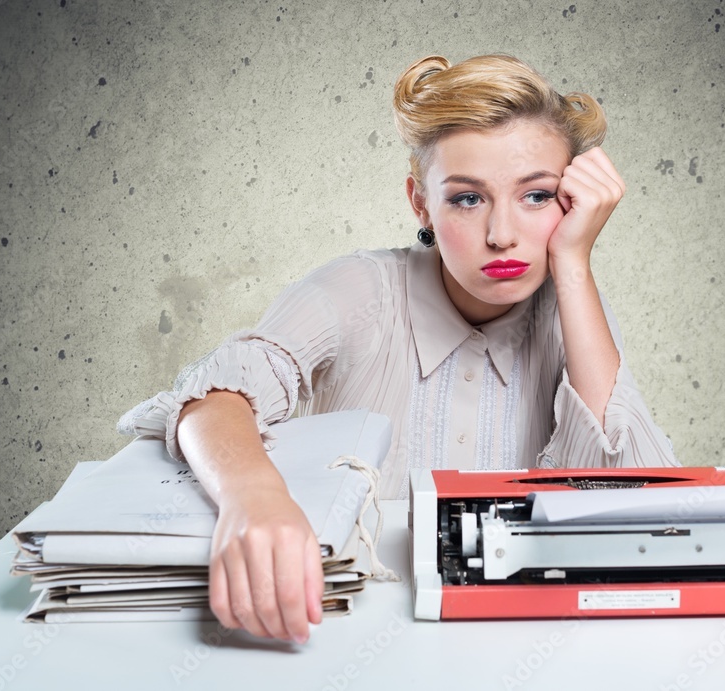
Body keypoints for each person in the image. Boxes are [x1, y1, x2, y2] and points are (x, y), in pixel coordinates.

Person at [118, 53, 678, 644]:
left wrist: (573, 261)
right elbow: (215, 396)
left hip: (518, 636)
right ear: (421, 204)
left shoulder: (573, 304)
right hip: (339, 626)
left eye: (536, 196)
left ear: (571, 203)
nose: (501, 234)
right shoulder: (357, 288)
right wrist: (253, 498)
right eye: (468, 198)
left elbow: (637, 498)